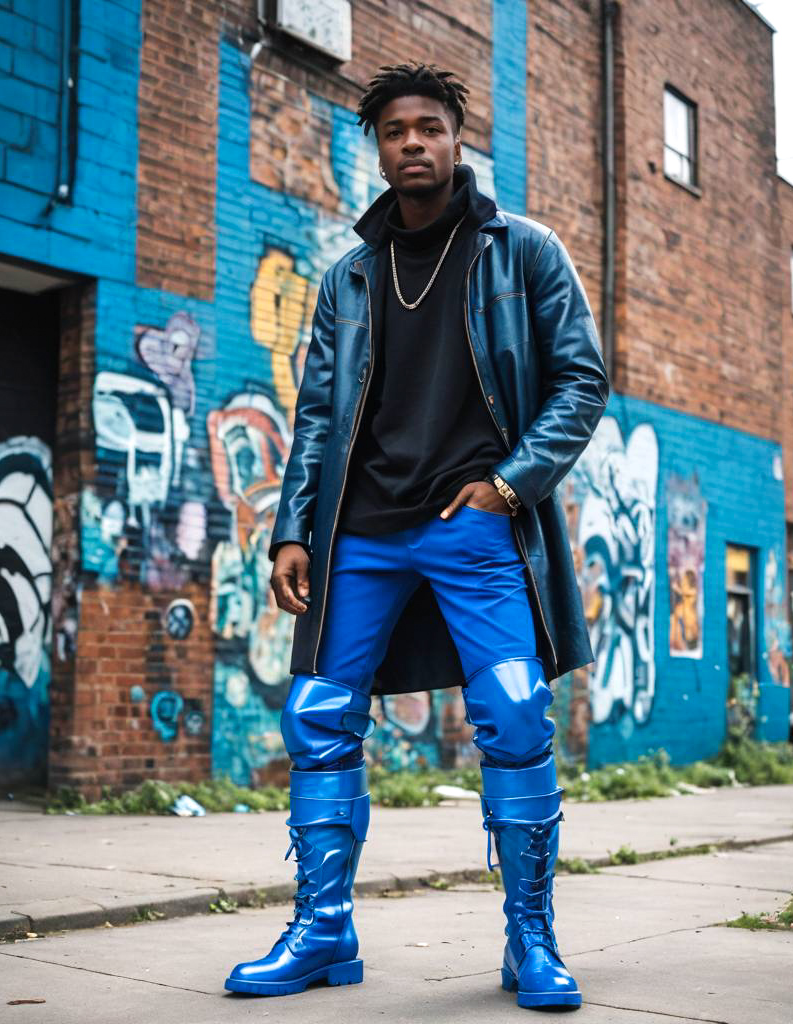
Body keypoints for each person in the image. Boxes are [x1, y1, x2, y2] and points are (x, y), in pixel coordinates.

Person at [224, 61, 609, 1010]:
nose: (413, 144)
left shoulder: (523, 251)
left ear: (457, 137)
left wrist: (508, 488)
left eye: (429, 127)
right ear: (379, 147)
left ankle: (531, 940)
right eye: (395, 131)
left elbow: (581, 380)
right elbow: (317, 416)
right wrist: (293, 531)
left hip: (472, 524)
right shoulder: (349, 277)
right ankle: (323, 932)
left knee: (515, 711)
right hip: (362, 531)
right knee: (317, 717)